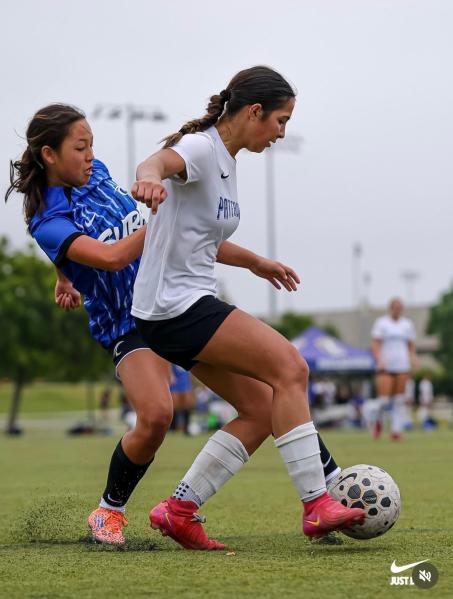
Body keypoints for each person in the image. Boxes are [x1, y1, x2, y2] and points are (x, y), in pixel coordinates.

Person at [6, 103, 344, 549]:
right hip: (128, 325)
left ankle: (197, 506)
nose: (91, 156)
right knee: (157, 415)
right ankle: (109, 510)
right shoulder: (47, 220)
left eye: (92, 146)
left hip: (173, 303)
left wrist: (254, 261)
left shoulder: (98, 174)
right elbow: (110, 256)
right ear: (49, 155)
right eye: (80, 147)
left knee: (265, 400)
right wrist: (165, 223)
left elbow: (169, 235)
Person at [131, 65, 365, 547]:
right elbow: (154, 164)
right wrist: (148, 179)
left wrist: (256, 262)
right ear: (255, 112)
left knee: (260, 408)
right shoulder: (200, 148)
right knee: (290, 367)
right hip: (176, 306)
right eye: (281, 120)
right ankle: (316, 504)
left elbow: (198, 240)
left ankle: (179, 509)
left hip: (172, 310)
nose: (282, 132)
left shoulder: (227, 161)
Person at [371, 298, 418, 440]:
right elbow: (375, 343)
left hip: (402, 365)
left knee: (399, 400)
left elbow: (410, 345)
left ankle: (396, 431)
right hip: (386, 365)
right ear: (391, 308)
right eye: (395, 307)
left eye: (400, 307)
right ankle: (377, 422)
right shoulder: (382, 323)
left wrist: (413, 358)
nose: (398, 310)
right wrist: (379, 360)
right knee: (384, 400)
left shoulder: (407, 324)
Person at [169, 364, 195, 434]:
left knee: (187, 405)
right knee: (174, 406)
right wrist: (171, 375)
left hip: (186, 383)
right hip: (175, 383)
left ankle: (186, 428)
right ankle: (172, 428)